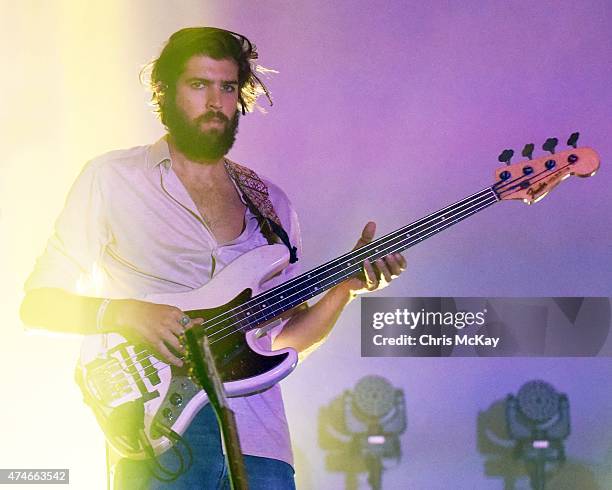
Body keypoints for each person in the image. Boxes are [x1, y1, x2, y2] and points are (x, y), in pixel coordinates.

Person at [20, 27, 407, 489]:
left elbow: (287, 340)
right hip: (162, 436)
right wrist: (123, 312)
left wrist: (345, 288)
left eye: (226, 87)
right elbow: (38, 304)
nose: (215, 101)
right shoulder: (111, 179)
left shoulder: (271, 203)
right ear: (165, 92)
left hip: (262, 446)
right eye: (198, 85)